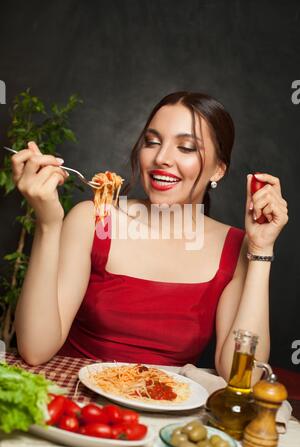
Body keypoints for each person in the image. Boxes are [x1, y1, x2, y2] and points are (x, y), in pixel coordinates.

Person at [12, 91, 288, 382]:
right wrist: (48, 224)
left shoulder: (236, 246)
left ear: (218, 170)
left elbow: (241, 376)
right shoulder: (92, 218)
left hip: (166, 414)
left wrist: (261, 249)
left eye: (186, 147)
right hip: (75, 402)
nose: (161, 158)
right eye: (152, 142)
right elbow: (34, 350)